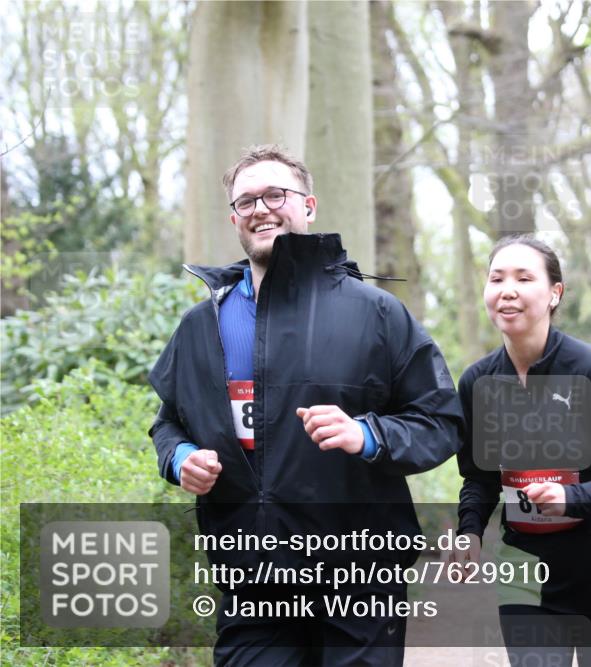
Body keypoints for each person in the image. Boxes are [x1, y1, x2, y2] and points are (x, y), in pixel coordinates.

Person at [148, 144, 463, 666]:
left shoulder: (377, 314)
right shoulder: (201, 326)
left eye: (276, 194)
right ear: (234, 219)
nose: (261, 208)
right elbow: (169, 423)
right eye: (246, 200)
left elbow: (441, 422)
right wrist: (180, 459)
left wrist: (369, 436)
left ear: (309, 207)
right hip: (251, 574)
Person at [449, 235, 591, 667]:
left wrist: (575, 498)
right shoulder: (477, 382)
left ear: (555, 293)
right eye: (496, 278)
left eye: (523, 277)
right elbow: (478, 477)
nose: (507, 289)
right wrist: (470, 531)